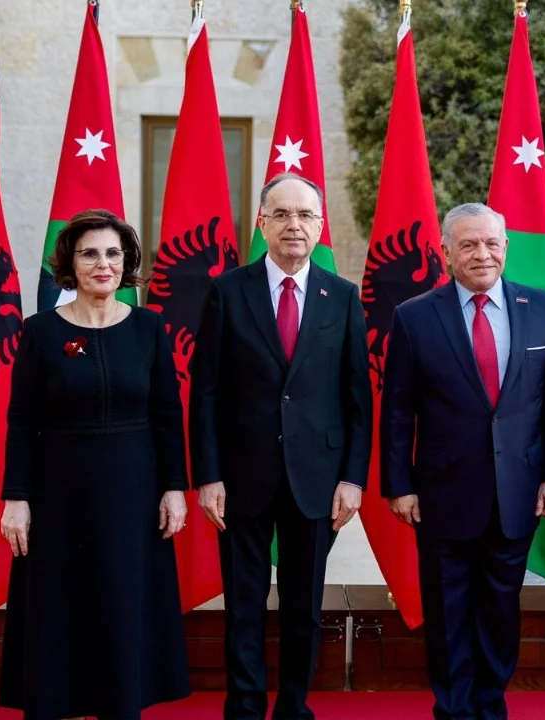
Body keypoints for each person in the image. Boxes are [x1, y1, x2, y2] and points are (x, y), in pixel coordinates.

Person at [189, 173, 372, 719]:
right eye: (283, 214)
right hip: (241, 475)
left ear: (320, 225)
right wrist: (208, 475)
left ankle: (294, 706)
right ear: (262, 223)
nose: (295, 224)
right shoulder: (228, 290)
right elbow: (206, 391)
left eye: (306, 215)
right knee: (243, 606)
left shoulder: (342, 296)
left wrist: (353, 478)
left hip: (318, 477)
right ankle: (245, 707)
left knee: (303, 608)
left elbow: (357, 396)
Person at [0, 209, 190, 719]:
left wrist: (175, 487)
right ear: (70, 264)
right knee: (61, 606)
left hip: (134, 494)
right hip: (59, 494)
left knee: (123, 603)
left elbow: (168, 414)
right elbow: (22, 420)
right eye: (90, 254)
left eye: (112, 253)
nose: (103, 264)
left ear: (126, 262)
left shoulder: (149, 327)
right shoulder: (40, 331)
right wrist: (16, 498)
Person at [379, 202, 545, 719]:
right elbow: (397, 409)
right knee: (447, 613)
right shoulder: (415, 316)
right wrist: (399, 484)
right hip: (442, 493)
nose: (481, 254)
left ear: (506, 247)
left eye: (490, 243)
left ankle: (490, 706)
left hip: (518, 492)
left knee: (500, 610)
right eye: (467, 244)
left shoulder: (544, 308)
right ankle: (453, 710)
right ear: (446, 253)